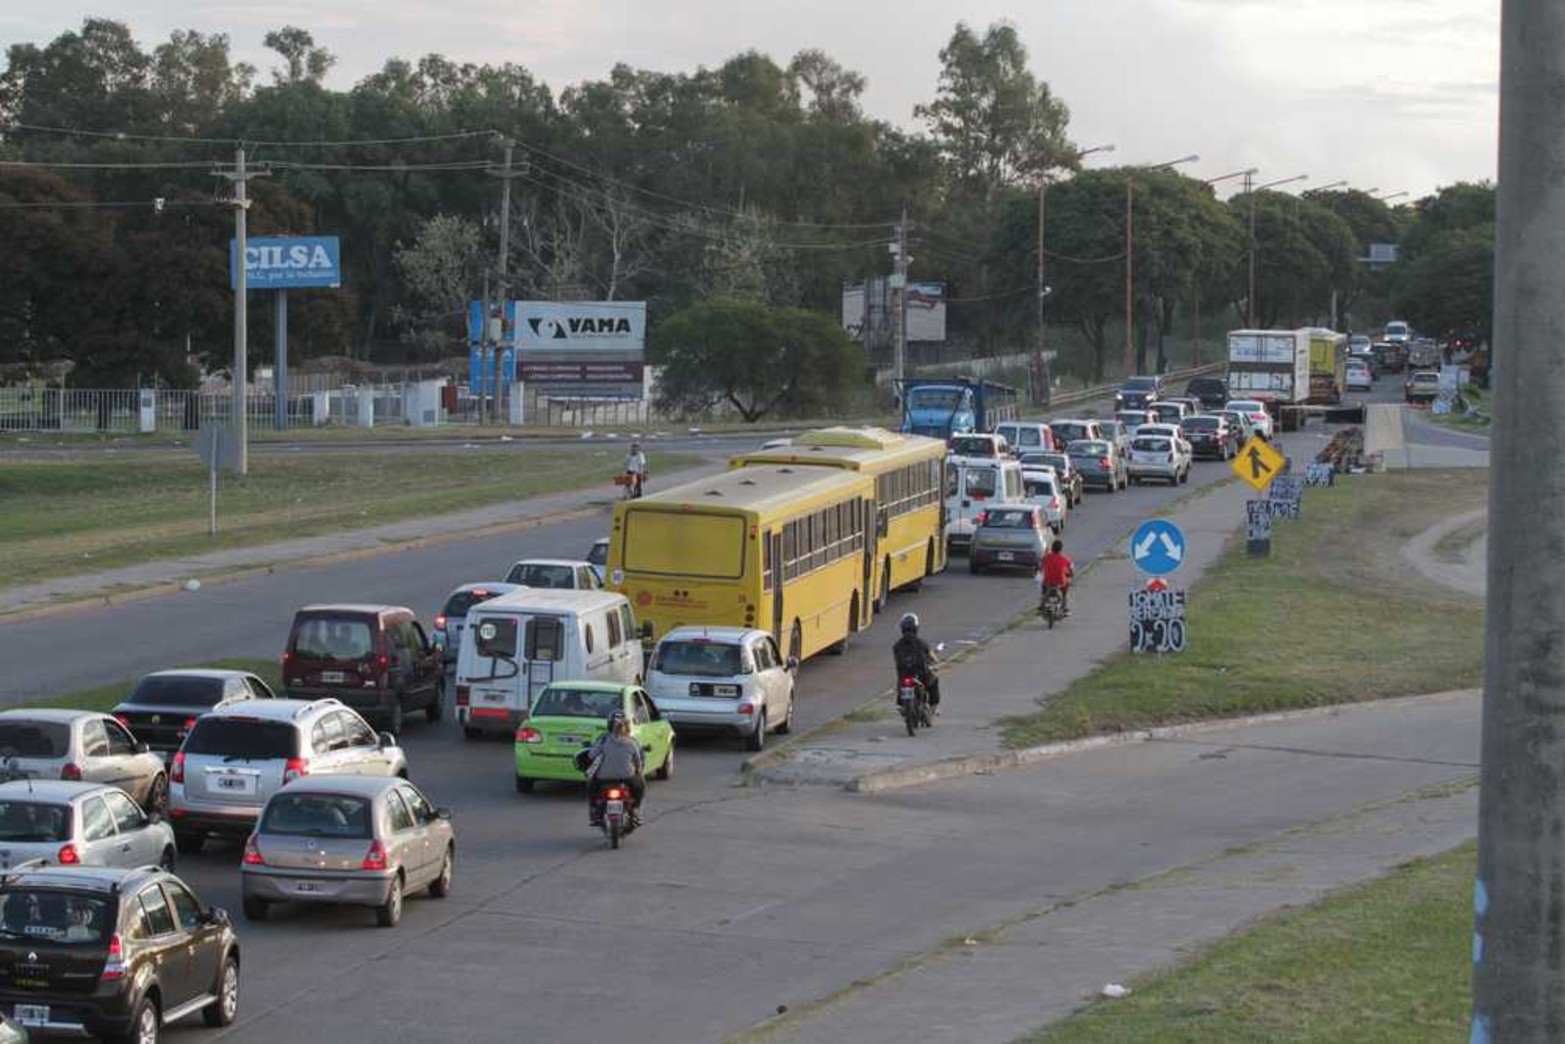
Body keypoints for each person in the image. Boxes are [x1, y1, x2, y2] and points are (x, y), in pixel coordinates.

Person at [585, 712, 646, 826]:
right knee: (641, 786)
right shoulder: (632, 742)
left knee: (591, 785)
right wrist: (639, 773)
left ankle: (593, 811)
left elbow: (591, 755)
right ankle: (635, 810)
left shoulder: (603, 740)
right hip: (627, 777)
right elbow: (638, 761)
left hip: (603, 777)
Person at [892, 613, 941, 710]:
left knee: (900, 686)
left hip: (904, 676)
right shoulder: (921, 643)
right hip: (921, 675)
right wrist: (936, 661)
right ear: (916, 628)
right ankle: (932, 706)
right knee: (934, 682)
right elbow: (932, 657)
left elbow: (896, 660)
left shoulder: (897, 645)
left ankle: (902, 704)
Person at [1040, 539, 1075, 616]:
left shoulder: (1046, 557)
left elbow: (1041, 567)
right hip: (1060, 582)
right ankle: (1064, 608)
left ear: (1052, 548)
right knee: (1064, 594)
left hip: (1048, 581)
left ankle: (1041, 606)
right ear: (1061, 549)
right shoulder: (1065, 559)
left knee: (1043, 591)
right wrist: (1071, 575)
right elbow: (1071, 569)